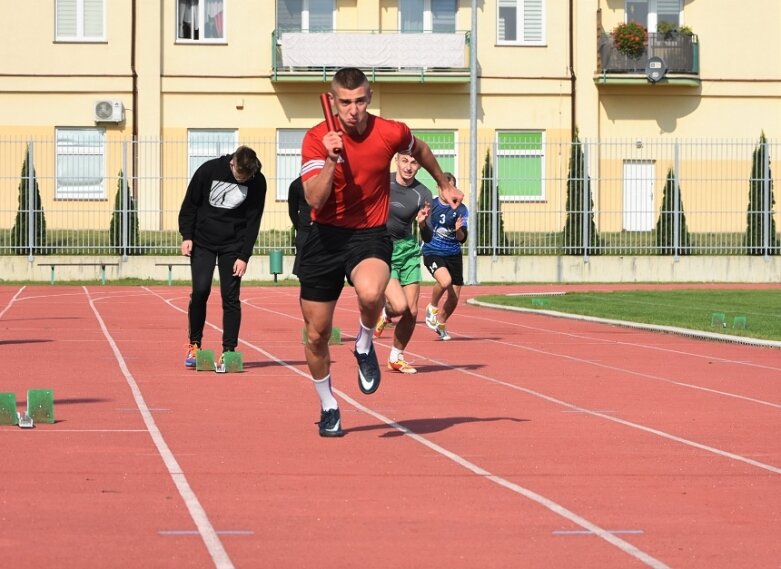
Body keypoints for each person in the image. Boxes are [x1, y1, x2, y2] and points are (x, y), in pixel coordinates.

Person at [299, 66, 462, 437]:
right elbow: (314, 198)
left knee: (372, 293)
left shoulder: (390, 131)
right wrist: (330, 159)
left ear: (369, 98)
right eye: (345, 102)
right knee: (316, 335)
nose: (353, 110)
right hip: (322, 236)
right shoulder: (315, 139)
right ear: (334, 100)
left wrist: (441, 184)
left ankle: (364, 343)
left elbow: (418, 147)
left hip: (368, 233)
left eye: (359, 101)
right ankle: (328, 405)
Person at [178, 145, 266, 368]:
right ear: (232, 164)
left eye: (248, 176)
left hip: (233, 246)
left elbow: (254, 220)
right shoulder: (209, 170)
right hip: (203, 241)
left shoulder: (257, 181)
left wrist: (244, 256)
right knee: (200, 290)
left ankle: (229, 350)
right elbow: (190, 204)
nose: (244, 179)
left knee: (231, 297)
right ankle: (194, 345)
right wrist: (187, 235)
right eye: (240, 175)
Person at [373, 151, 433, 375]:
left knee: (412, 310)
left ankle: (396, 357)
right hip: (383, 248)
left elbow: (427, 237)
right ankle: (387, 313)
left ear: (419, 167)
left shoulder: (423, 193)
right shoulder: (381, 181)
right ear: (396, 160)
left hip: (407, 250)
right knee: (399, 306)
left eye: (414, 163)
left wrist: (424, 223)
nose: (408, 167)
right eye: (405, 161)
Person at [423, 172, 468, 342]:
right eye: (445, 188)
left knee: (455, 295)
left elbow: (463, 238)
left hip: (453, 252)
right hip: (432, 251)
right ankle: (432, 307)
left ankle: (441, 323)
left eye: (452, 188)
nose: (448, 192)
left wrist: (458, 230)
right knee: (445, 281)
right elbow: (422, 227)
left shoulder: (461, 209)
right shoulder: (431, 205)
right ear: (439, 188)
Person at [287, 176, 311, 276]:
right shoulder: (296, 185)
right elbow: (292, 211)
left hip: (323, 229)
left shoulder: (326, 181)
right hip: (305, 230)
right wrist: (300, 227)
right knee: (303, 267)